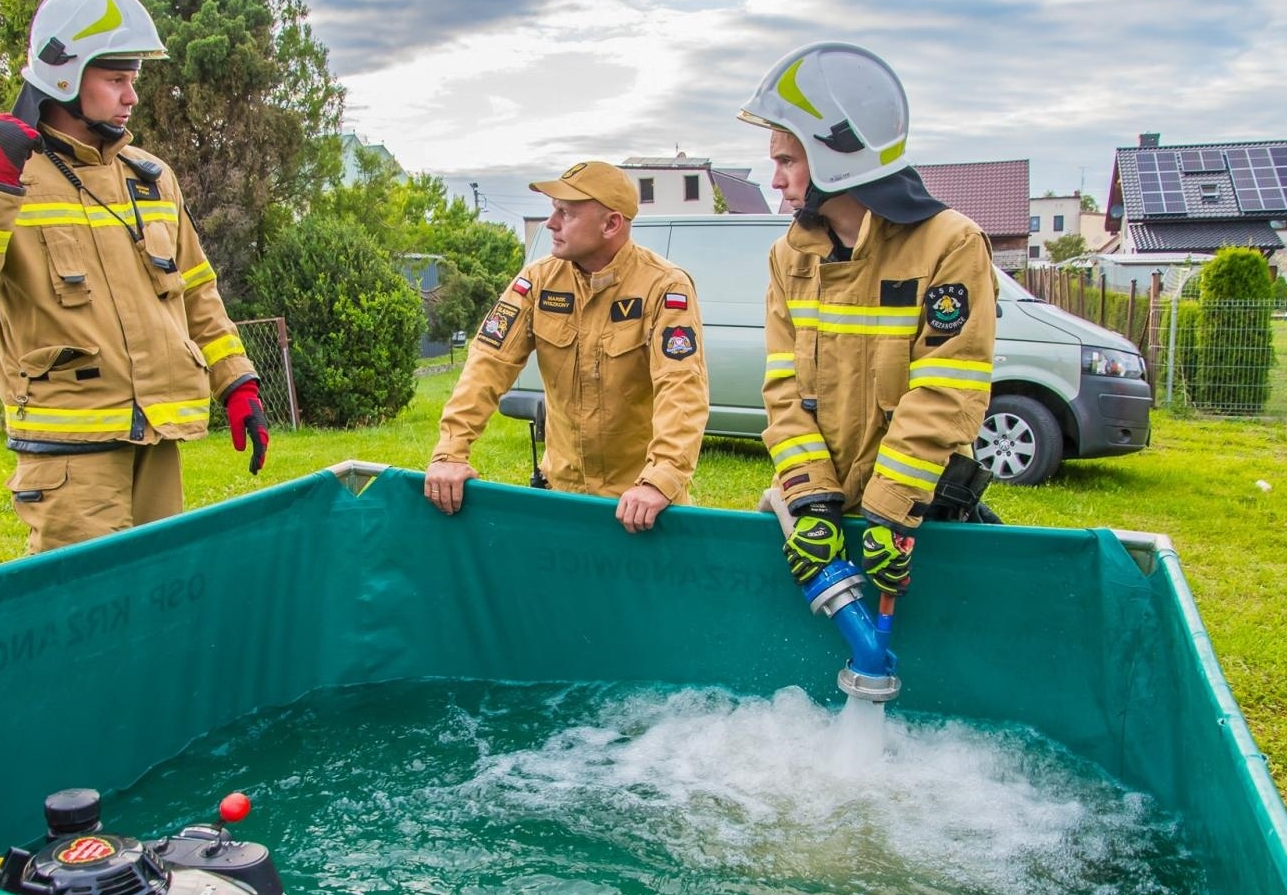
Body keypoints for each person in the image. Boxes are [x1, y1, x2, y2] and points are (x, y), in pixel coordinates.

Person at [0, 0, 268, 553]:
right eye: (116, 80)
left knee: (157, 604)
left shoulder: (150, 177)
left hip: (155, 443)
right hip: (69, 456)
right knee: (88, 621)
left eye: (134, 80)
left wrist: (237, 382)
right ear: (65, 77)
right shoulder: (0, 172)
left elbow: (197, 291)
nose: (132, 97)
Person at [736, 41, 997, 594]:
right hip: (822, 514)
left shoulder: (951, 244)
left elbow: (949, 388)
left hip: (917, 516)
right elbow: (783, 390)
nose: (776, 180)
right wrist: (810, 498)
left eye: (786, 160)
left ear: (838, 156)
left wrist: (892, 510)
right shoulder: (789, 256)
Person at [424, 161, 709, 533]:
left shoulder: (664, 288)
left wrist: (662, 478)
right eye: (552, 210)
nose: (550, 223)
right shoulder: (537, 281)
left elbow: (682, 389)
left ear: (611, 225)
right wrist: (450, 451)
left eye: (566, 213)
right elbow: (487, 363)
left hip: (641, 507)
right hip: (561, 499)